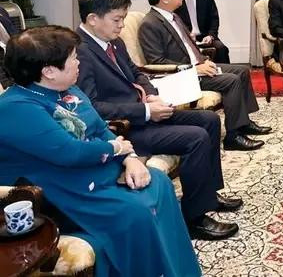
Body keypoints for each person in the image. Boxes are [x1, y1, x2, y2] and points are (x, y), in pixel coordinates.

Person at [0, 26, 201, 277]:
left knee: (159, 182)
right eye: (73, 58)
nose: (78, 63)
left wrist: (130, 159)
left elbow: (100, 128)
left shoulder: (69, 89)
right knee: (135, 212)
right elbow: (69, 152)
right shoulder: (15, 107)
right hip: (60, 190)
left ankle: (175, 271)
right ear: (48, 71)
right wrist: (116, 147)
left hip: (94, 171)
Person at [75, 0, 241, 240]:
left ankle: (208, 195)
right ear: (93, 19)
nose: (121, 26)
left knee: (208, 120)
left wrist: (151, 93)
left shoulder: (113, 42)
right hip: (125, 129)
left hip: (145, 112)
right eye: (117, 20)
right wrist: (145, 111)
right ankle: (194, 219)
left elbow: (137, 73)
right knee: (196, 137)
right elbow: (92, 105)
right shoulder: (81, 53)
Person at [138, 0, 270, 151]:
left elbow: (188, 46)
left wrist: (204, 61)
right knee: (231, 80)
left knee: (242, 71)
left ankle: (243, 123)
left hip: (197, 67)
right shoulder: (150, 24)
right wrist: (195, 68)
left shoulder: (174, 17)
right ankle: (233, 137)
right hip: (181, 77)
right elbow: (156, 62)